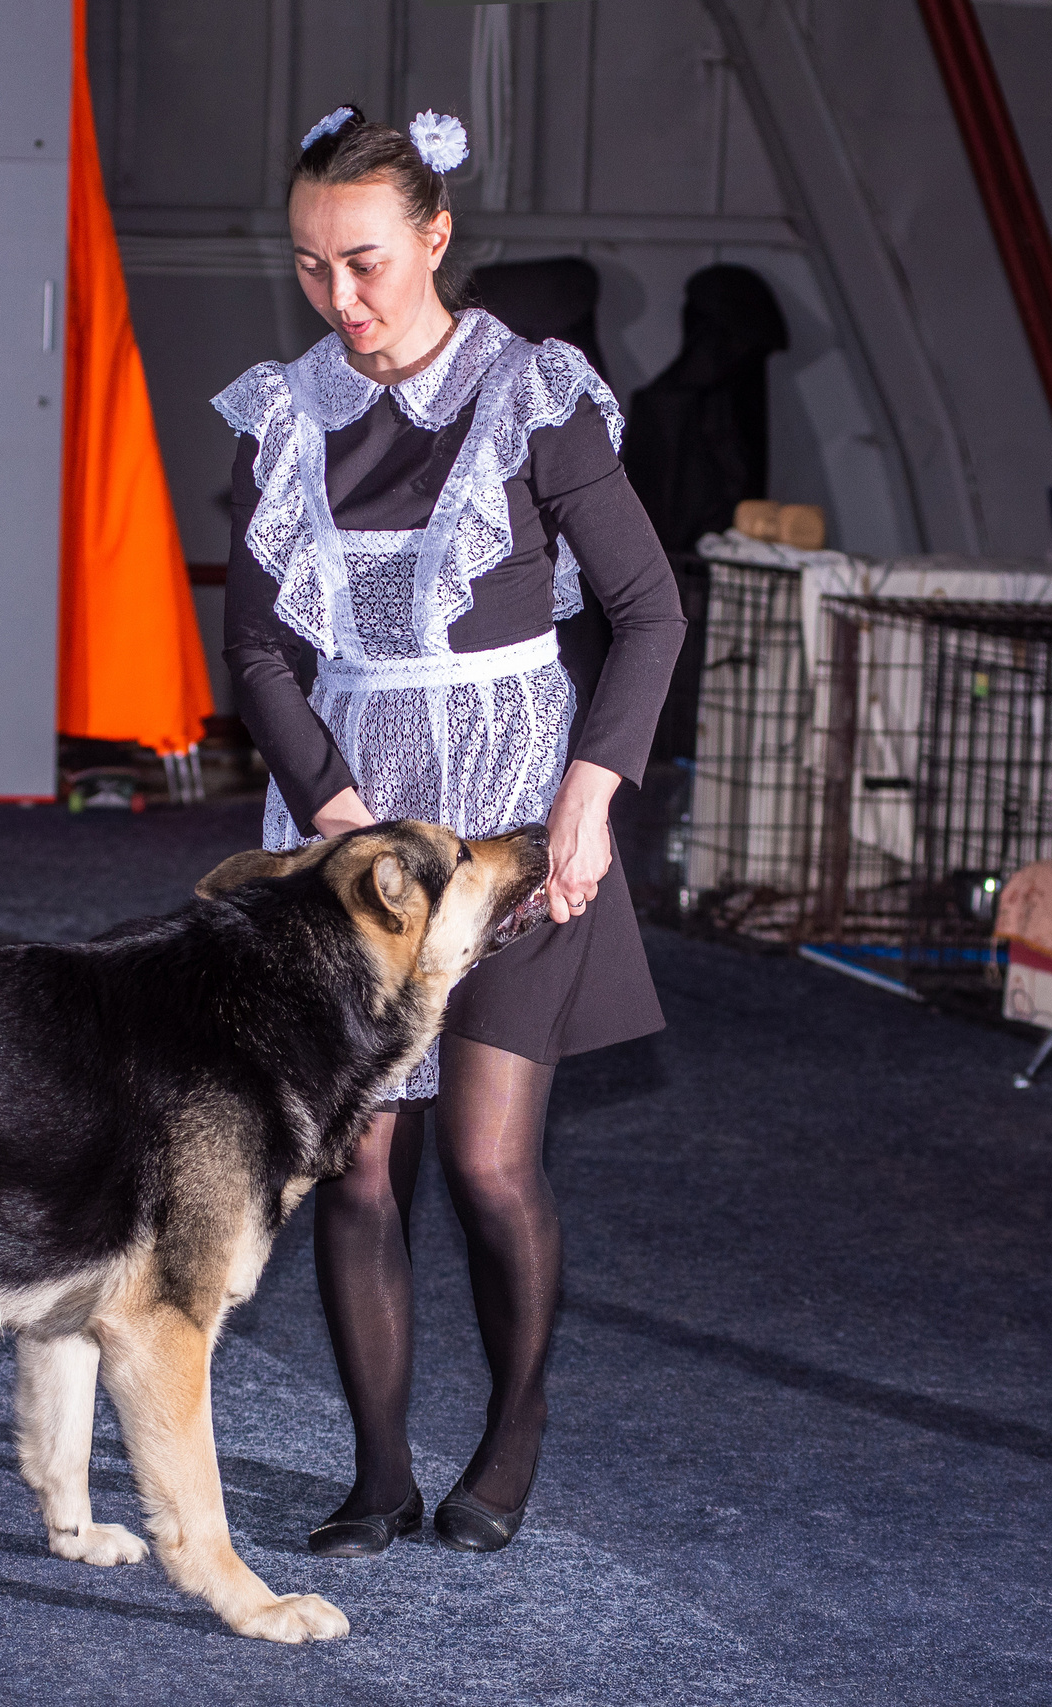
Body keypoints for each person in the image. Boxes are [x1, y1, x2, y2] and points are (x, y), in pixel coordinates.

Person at [214, 105, 686, 1557]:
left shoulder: (535, 397)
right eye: (310, 269)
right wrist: (343, 819)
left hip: (512, 826)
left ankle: (515, 1429)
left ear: (433, 239)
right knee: (356, 1168)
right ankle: (376, 1471)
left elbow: (650, 613)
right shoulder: (286, 414)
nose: (340, 301)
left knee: (487, 1167)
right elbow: (259, 656)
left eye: (363, 263)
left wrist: (589, 797)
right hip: (353, 835)